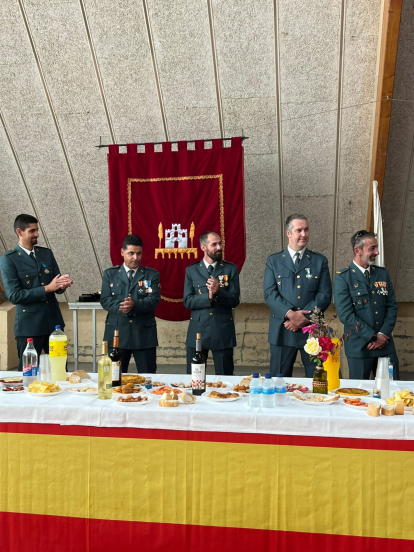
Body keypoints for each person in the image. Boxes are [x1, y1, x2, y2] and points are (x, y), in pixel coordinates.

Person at [0, 214, 72, 369]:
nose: (37, 234)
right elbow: (14, 296)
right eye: (32, 231)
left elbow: (55, 285)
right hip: (29, 328)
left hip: (54, 325)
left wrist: (61, 284)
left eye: (37, 230)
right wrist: (48, 288)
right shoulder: (9, 259)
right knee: (29, 373)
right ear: (19, 232)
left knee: (60, 371)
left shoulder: (45, 254)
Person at [264, 214, 332, 377]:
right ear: (288, 233)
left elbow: (325, 294)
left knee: (316, 381)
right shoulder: (274, 261)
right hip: (282, 329)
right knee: (279, 383)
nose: (304, 234)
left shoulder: (319, 261)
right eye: (299, 230)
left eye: (306, 230)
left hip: (312, 331)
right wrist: (291, 315)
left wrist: (304, 319)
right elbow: (270, 293)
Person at [333, 230, 399, 380]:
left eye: (376, 247)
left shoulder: (382, 274)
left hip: (385, 345)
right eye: (372, 249)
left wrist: (382, 335)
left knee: (393, 392)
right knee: (359, 395)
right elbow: (346, 315)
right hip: (359, 347)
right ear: (357, 250)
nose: (377, 252)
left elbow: (392, 307)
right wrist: (373, 337)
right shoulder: (343, 278)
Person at [100, 234, 160, 373]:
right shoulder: (110, 274)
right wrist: (123, 307)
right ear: (122, 252)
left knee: (148, 379)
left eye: (139, 253)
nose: (135, 257)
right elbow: (105, 300)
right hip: (117, 334)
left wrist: (135, 305)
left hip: (143, 335)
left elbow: (153, 300)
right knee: (114, 378)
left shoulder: (151, 275)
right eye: (131, 253)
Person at [184, 231, 240, 375]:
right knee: (195, 378)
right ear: (203, 247)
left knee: (225, 378)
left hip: (222, 330)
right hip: (198, 330)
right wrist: (208, 297)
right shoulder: (191, 270)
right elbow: (188, 301)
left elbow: (234, 300)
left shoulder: (230, 269)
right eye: (214, 244)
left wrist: (219, 292)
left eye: (220, 243)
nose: (219, 247)